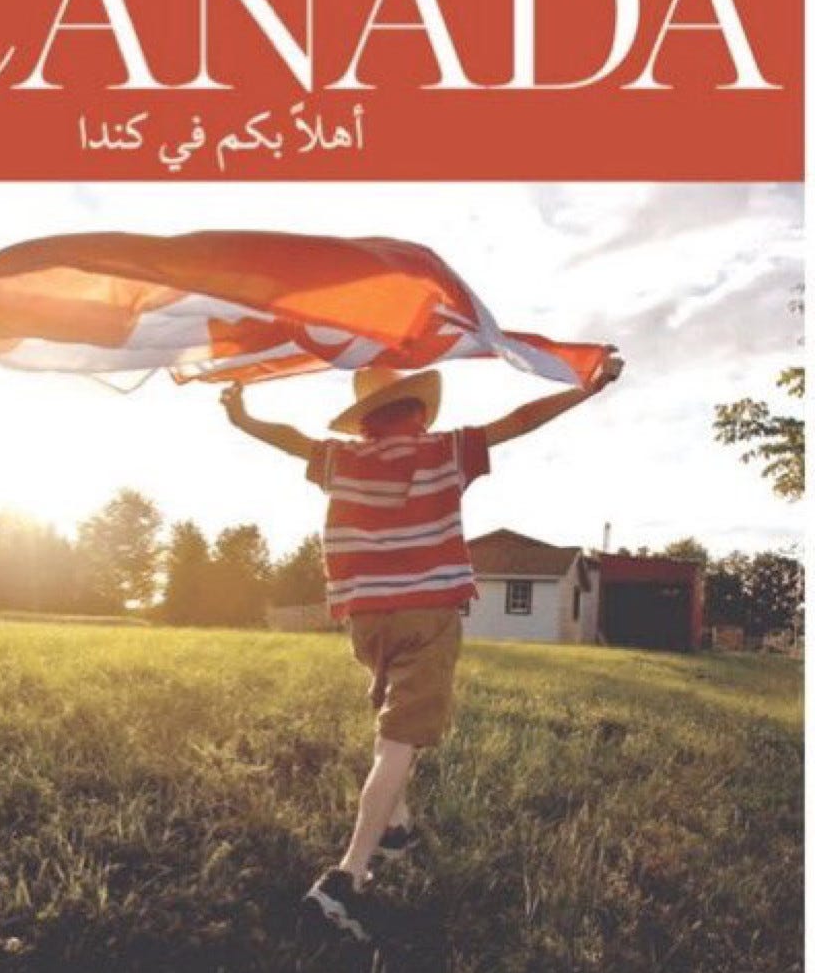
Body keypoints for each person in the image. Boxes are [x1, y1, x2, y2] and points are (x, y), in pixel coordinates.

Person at [219, 350, 623, 942]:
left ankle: (398, 824)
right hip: (428, 614)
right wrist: (586, 389)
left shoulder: (342, 459)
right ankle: (346, 878)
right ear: (421, 413)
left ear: (364, 420)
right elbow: (522, 419)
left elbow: (290, 439)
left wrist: (242, 417)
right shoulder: (444, 451)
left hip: (364, 617)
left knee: (394, 720)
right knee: (399, 742)